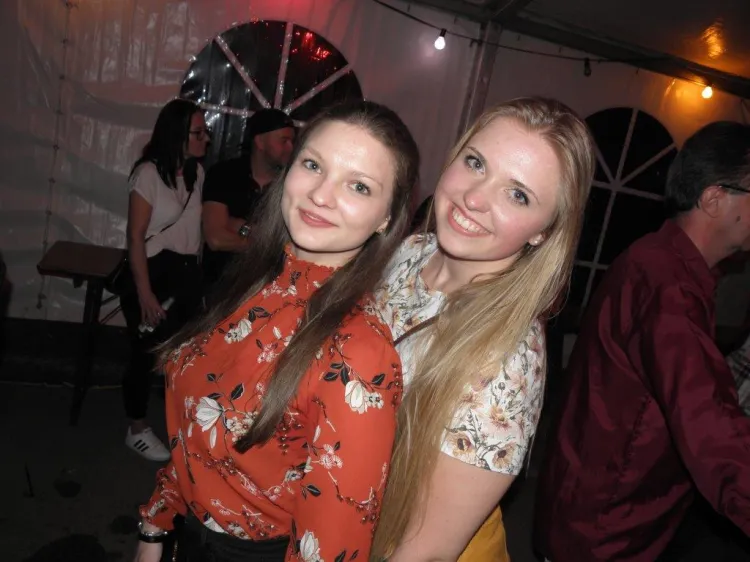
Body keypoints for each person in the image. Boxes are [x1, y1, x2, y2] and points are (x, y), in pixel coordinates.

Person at [133, 100, 420, 562]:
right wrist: (154, 526)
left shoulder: (358, 353)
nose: (321, 195)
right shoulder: (258, 280)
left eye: (359, 186)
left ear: (388, 217)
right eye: (313, 165)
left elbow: (329, 548)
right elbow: (193, 427)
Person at [372, 97, 596, 561]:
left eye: (518, 195)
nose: (473, 198)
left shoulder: (508, 362)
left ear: (543, 232)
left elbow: (425, 552)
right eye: (475, 163)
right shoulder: (412, 251)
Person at [534, 121, 750, 562]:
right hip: (607, 528)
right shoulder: (668, 286)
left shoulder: (658, 260)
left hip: (594, 505)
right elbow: (708, 422)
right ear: (714, 199)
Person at [122, 99, 208, 461]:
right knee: (145, 352)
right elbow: (135, 235)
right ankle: (136, 427)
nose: (206, 138)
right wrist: (144, 292)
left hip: (185, 272)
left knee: (181, 353)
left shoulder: (195, 173)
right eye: (198, 132)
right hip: (155, 270)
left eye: (205, 132)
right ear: (177, 134)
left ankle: (180, 426)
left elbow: (195, 231)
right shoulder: (147, 174)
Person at [201, 108, 296, 290]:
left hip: (265, 289)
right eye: (284, 141)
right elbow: (216, 239)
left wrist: (239, 227)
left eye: (292, 141)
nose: (290, 148)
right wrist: (265, 243)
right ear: (260, 142)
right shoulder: (224, 174)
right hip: (218, 288)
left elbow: (287, 243)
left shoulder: (291, 184)